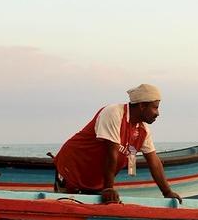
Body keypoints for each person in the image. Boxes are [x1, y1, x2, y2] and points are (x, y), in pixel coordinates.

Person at [54, 84, 182, 204]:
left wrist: (167, 192)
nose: (158, 113)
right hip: (71, 171)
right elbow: (112, 154)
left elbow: (154, 162)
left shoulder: (143, 130)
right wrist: (109, 188)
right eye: (155, 107)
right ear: (142, 105)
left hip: (95, 183)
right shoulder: (114, 113)